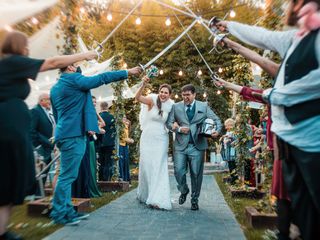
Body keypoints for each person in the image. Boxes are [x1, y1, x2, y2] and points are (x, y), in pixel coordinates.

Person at [214, 1, 320, 236]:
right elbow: (262, 37)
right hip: (288, 143)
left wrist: (277, 94)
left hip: (312, 143)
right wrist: (229, 26)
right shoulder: (296, 38)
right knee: (304, 211)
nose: (291, 7)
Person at [0, 30, 97, 240]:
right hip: (7, 129)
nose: (28, 50)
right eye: (25, 45)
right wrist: (84, 55)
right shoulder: (12, 62)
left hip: (12, 129)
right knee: (8, 180)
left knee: (8, 182)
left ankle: (3, 231)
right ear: (18, 46)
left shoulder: (9, 66)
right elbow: (52, 62)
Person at [50, 63, 142, 225]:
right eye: (75, 65)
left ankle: (67, 211)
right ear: (70, 68)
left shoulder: (56, 87)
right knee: (67, 176)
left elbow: (57, 116)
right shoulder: (74, 80)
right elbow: (103, 78)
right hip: (73, 135)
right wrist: (127, 72)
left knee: (66, 175)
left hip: (64, 134)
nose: (78, 67)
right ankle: (59, 214)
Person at [166, 84, 222, 211]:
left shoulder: (204, 106)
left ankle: (194, 199)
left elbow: (217, 120)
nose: (185, 97)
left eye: (188, 95)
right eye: (183, 95)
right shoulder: (176, 107)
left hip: (197, 146)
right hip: (180, 146)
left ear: (194, 95)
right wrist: (179, 128)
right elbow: (169, 123)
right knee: (178, 171)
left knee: (196, 174)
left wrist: (217, 131)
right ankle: (184, 190)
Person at [136, 76, 174, 210]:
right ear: (159, 92)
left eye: (166, 92)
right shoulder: (151, 100)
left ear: (169, 95)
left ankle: (157, 198)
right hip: (147, 137)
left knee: (159, 165)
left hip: (162, 139)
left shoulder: (171, 106)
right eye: (162, 91)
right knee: (147, 165)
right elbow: (138, 98)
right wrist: (143, 84)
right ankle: (146, 193)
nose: (163, 94)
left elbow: (172, 122)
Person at [30, 93, 55, 191]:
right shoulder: (35, 111)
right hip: (41, 147)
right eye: (48, 99)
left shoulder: (47, 111)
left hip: (48, 147)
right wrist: (46, 142)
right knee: (40, 173)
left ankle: (40, 195)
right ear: (41, 101)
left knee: (45, 173)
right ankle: (36, 197)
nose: (50, 102)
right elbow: (32, 131)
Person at [98, 101, 116, 181]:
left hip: (100, 142)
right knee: (108, 162)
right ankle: (107, 180)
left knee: (101, 162)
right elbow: (115, 130)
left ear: (101, 107)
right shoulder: (112, 117)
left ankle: (101, 179)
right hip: (110, 143)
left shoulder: (98, 117)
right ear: (107, 107)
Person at [220, 118, 237, 184]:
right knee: (230, 165)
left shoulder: (234, 132)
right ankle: (232, 178)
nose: (225, 127)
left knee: (233, 165)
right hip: (228, 151)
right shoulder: (228, 132)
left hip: (232, 151)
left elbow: (235, 140)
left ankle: (234, 180)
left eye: (226, 125)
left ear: (230, 125)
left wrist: (230, 139)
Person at [119, 116, 134, 182]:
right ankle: (122, 178)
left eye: (125, 117)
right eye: (123, 117)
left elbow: (126, 136)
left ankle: (126, 179)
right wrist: (130, 140)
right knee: (121, 162)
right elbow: (122, 137)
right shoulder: (120, 127)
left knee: (125, 162)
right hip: (120, 146)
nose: (125, 119)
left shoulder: (126, 126)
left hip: (125, 146)